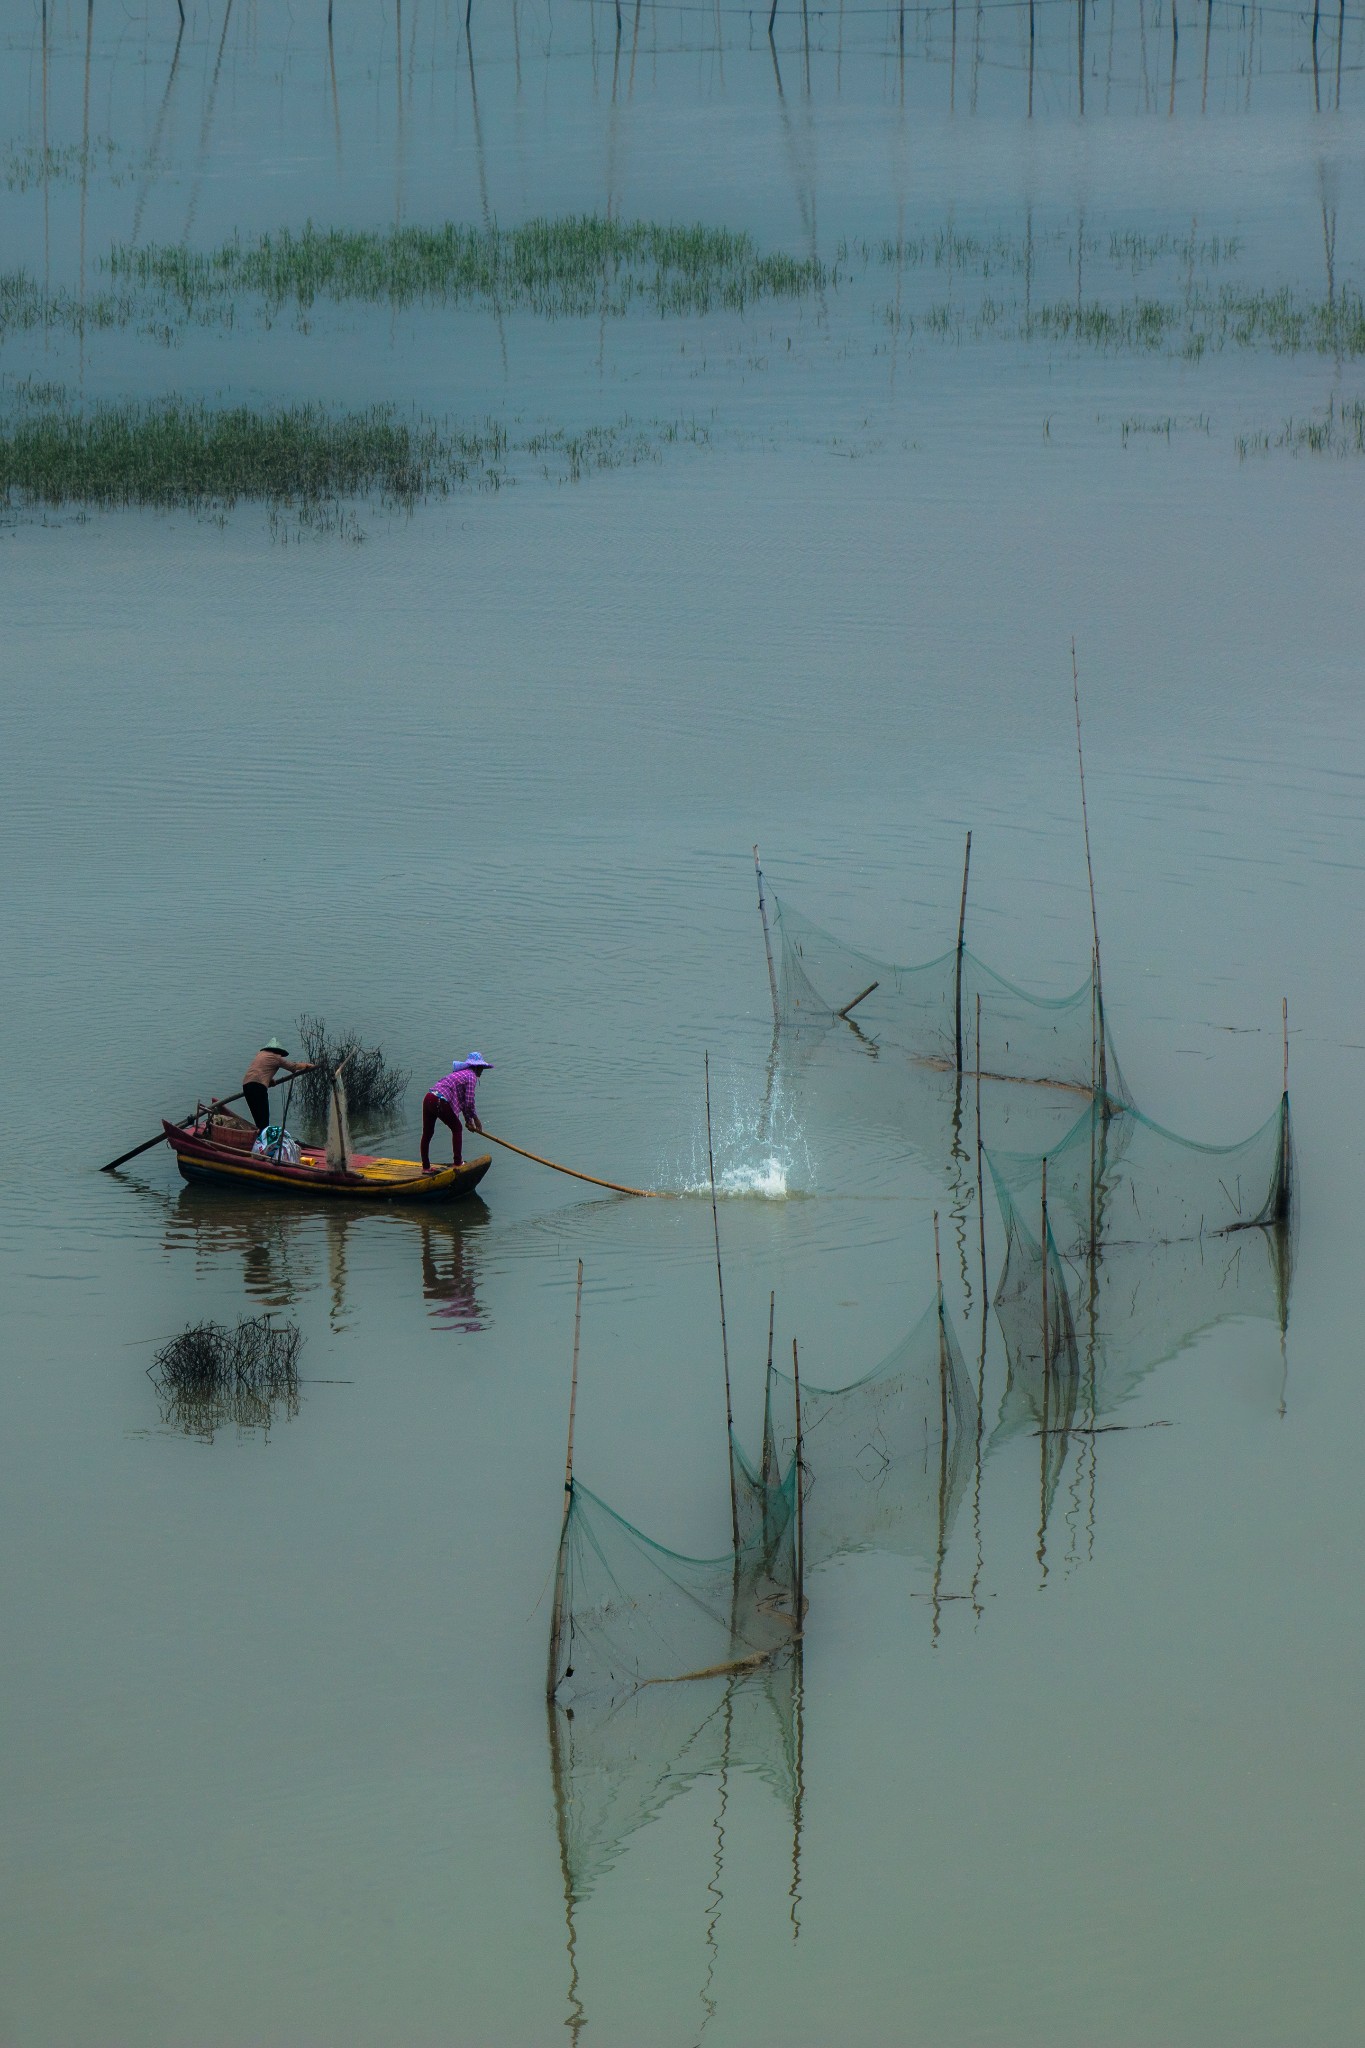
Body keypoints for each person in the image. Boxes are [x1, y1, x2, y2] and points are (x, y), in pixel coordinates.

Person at [421, 1053, 492, 1171]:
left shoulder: (460, 1074)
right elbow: (469, 1101)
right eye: (481, 1068)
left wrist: (469, 1121)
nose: (482, 1071)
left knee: (427, 1133)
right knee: (457, 1128)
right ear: (476, 1067)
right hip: (439, 1100)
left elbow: (464, 1103)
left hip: (429, 1098)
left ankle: (426, 1167)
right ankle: (458, 1163)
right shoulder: (471, 1076)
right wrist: (476, 1119)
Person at [241, 1038, 313, 1131]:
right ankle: (264, 1140)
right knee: (263, 1118)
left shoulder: (260, 1055)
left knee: (257, 1117)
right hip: (258, 1087)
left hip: (247, 1085)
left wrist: (270, 1081)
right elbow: (293, 1067)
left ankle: (259, 1137)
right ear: (277, 1051)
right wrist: (308, 1065)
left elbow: (261, 1070)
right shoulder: (276, 1058)